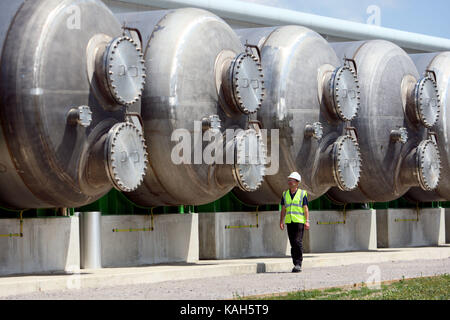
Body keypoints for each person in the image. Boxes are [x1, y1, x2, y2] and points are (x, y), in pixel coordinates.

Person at [279, 172, 310, 273]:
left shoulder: (302, 194)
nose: (290, 181)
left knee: (298, 242)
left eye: (292, 180)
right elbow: (283, 209)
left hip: (299, 221)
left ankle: (298, 263)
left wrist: (307, 221)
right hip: (289, 221)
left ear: (297, 182)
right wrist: (281, 221)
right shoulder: (285, 194)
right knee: (293, 243)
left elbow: (305, 208)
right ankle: (295, 263)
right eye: (289, 180)